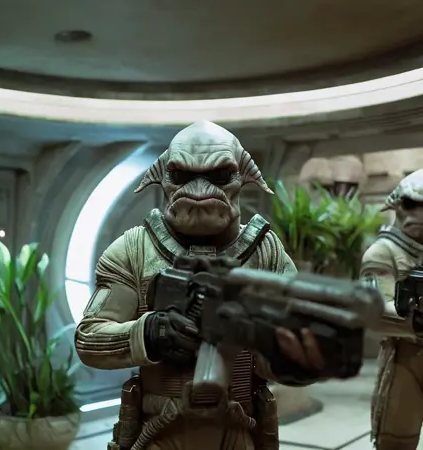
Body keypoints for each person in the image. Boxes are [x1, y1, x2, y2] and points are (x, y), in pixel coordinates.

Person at [75, 121, 348, 450]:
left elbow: (298, 345)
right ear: (163, 176)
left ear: (242, 176)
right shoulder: (134, 250)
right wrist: (149, 332)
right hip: (161, 429)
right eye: (182, 175)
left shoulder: (265, 252)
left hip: (237, 426)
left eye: (219, 175)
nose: (200, 187)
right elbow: (89, 338)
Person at [360, 169, 423, 450]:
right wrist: (415, 319)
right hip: (404, 356)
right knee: (396, 441)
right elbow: (373, 311)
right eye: (411, 204)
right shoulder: (383, 253)